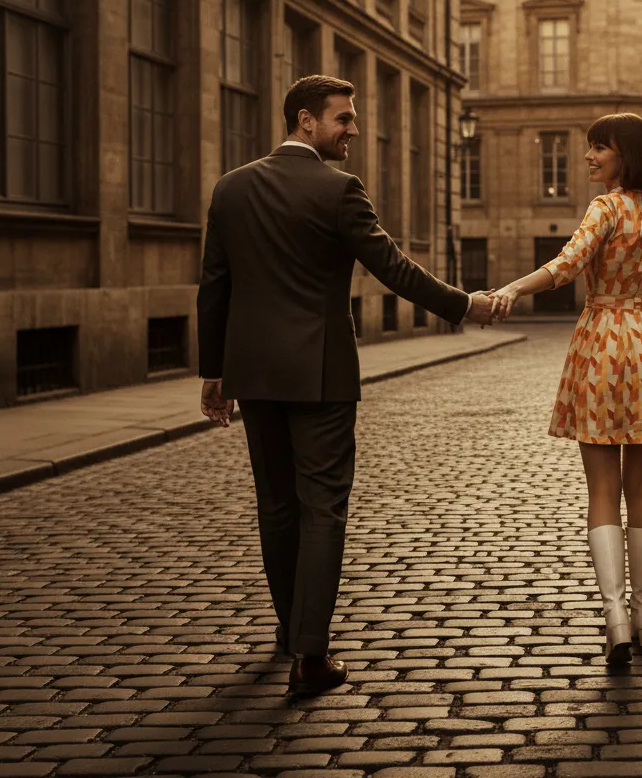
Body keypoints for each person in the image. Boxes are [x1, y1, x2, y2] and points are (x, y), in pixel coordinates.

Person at [196, 75, 496, 695]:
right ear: (306, 121)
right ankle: (310, 656)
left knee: (276, 507)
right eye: (344, 119)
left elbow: (215, 287)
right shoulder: (338, 191)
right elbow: (394, 267)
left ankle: (289, 633)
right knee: (323, 508)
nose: (353, 129)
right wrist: (465, 305)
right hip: (321, 372)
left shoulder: (231, 189)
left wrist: (214, 371)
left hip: (254, 372)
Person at [489, 113, 642, 664]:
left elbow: (565, 266)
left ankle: (617, 618)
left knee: (602, 488)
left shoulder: (605, 208)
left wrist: (510, 289)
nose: (589, 158)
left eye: (599, 149)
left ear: (625, 153)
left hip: (602, 342)